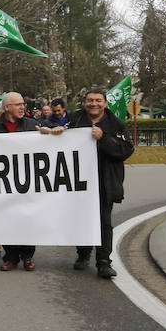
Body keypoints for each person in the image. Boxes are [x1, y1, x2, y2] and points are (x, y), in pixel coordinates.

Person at [54, 89, 134, 279]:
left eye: (98, 100)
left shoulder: (116, 124)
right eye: (90, 100)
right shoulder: (74, 120)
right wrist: (55, 132)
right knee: (81, 220)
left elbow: (126, 150)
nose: (93, 104)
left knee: (104, 223)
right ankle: (83, 254)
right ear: (85, 102)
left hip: (104, 182)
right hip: (79, 182)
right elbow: (60, 138)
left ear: (105, 103)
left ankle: (104, 262)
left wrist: (104, 139)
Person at [0, 91, 43, 271]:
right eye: (18, 104)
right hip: (3, 183)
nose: (23, 107)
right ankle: (11, 257)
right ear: (7, 107)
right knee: (6, 219)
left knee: (26, 219)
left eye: (23, 104)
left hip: (26, 181)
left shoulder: (32, 125)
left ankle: (28, 256)